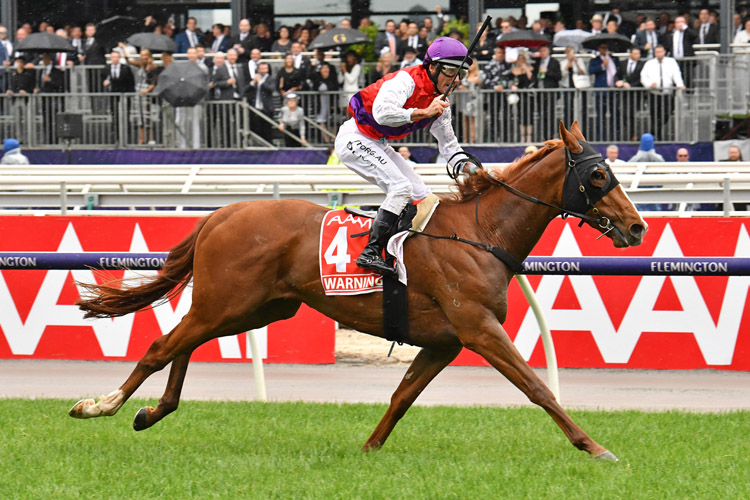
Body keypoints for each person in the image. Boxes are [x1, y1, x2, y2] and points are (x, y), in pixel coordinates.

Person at [333, 37, 480, 276]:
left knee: (424, 196)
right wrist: (423, 111)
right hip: (355, 137)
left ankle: (404, 249)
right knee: (401, 187)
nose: (456, 80)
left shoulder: (442, 107)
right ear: (432, 67)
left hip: (377, 142)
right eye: (451, 71)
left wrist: (474, 170)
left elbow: (450, 150)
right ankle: (371, 252)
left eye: (461, 73)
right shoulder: (406, 80)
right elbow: (382, 114)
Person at [640, 45, 685, 141]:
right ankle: (658, 136)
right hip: (654, 94)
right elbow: (643, 76)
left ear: (664, 52)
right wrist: (649, 84)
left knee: (666, 114)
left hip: (667, 93)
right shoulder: (649, 63)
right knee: (654, 115)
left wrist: (679, 84)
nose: (659, 54)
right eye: (657, 52)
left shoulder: (671, 62)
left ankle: (654, 132)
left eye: (661, 51)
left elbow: (676, 74)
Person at [531, 44, 561, 140]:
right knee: (542, 115)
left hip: (550, 93)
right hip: (540, 93)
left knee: (550, 115)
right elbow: (534, 75)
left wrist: (547, 72)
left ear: (548, 51)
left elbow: (558, 77)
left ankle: (551, 135)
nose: (542, 53)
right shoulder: (537, 62)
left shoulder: (554, 62)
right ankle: (544, 137)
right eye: (540, 51)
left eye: (543, 51)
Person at [615, 47, 645, 141]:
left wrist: (631, 85)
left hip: (635, 95)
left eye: (639, 54)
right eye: (635, 54)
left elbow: (642, 78)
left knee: (632, 115)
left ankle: (632, 135)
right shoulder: (623, 63)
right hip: (623, 95)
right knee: (623, 113)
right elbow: (617, 75)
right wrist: (618, 82)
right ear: (630, 54)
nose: (638, 56)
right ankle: (624, 135)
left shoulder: (642, 64)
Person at [244, 61, 275, 144]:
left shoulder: (271, 78)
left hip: (267, 108)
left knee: (267, 129)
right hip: (256, 107)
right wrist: (253, 82)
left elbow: (270, 89)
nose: (263, 70)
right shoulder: (255, 78)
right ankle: (258, 145)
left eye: (265, 68)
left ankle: (268, 145)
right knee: (257, 128)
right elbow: (246, 90)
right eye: (261, 68)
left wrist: (261, 82)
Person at [510, 51, 534, 142]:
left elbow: (531, 79)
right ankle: (522, 137)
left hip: (528, 95)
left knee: (529, 115)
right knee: (521, 116)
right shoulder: (513, 70)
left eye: (522, 59)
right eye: (519, 59)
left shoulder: (530, 68)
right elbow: (512, 81)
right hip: (519, 96)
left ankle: (529, 137)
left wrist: (525, 68)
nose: (521, 61)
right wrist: (512, 86)